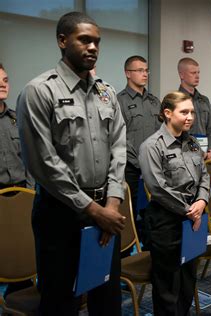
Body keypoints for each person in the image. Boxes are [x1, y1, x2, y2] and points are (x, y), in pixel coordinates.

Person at [16, 12, 126, 315]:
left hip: (106, 209)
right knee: (61, 301)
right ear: (62, 41)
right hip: (61, 213)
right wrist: (92, 210)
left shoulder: (106, 91)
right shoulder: (40, 91)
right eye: (84, 40)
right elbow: (44, 163)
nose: (93, 47)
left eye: (97, 42)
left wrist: (113, 204)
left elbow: (119, 146)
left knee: (107, 298)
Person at [139, 91, 210, 315]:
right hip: (166, 220)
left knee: (188, 278)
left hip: (193, 217)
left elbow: (205, 175)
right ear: (167, 113)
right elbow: (157, 188)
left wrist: (201, 200)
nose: (190, 117)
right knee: (168, 284)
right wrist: (189, 209)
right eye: (184, 112)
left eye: (192, 112)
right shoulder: (152, 146)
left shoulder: (192, 143)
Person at [0, 63, 34, 298]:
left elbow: (30, 158)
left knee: (22, 251)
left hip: (21, 194)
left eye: (5, 80)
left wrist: (31, 192)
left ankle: (18, 298)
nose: (3, 84)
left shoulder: (15, 119)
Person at [117, 55, 161, 234]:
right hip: (131, 168)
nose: (145, 74)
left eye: (146, 70)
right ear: (128, 73)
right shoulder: (120, 101)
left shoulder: (154, 101)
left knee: (156, 213)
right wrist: (140, 162)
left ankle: (151, 248)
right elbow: (119, 138)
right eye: (140, 70)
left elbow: (161, 134)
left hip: (154, 167)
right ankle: (130, 253)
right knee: (131, 212)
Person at [177, 57, 211, 160]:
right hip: (185, 155)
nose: (197, 76)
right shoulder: (176, 100)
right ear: (182, 75)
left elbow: (210, 128)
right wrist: (197, 151)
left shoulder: (204, 100)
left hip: (206, 156)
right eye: (193, 73)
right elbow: (177, 132)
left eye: (198, 72)